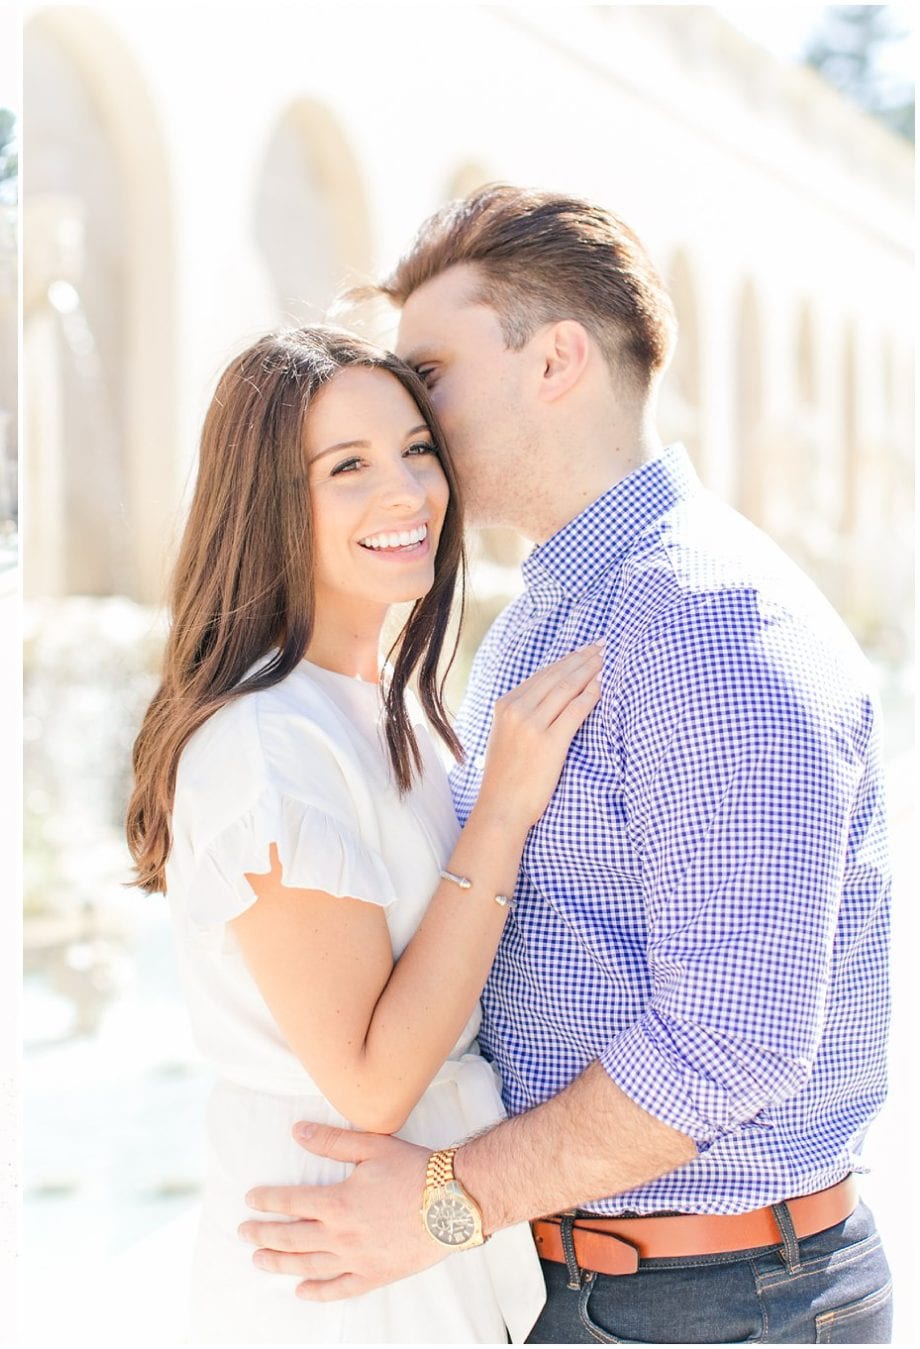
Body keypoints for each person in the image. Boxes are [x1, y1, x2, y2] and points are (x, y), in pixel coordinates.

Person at [241, 188, 893, 1344]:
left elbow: (733, 1033)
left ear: (555, 362)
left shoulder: (706, 628)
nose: (413, 412)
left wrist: (445, 1203)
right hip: (607, 1285)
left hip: (714, 1301)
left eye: (431, 373)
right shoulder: (554, 611)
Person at [126, 325, 603, 1341]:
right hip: (335, 1261)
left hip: (410, 1236)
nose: (408, 492)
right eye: (349, 466)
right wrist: (506, 810)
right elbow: (372, 1078)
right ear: (270, 501)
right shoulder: (267, 740)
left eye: (417, 450)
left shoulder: (384, 703)